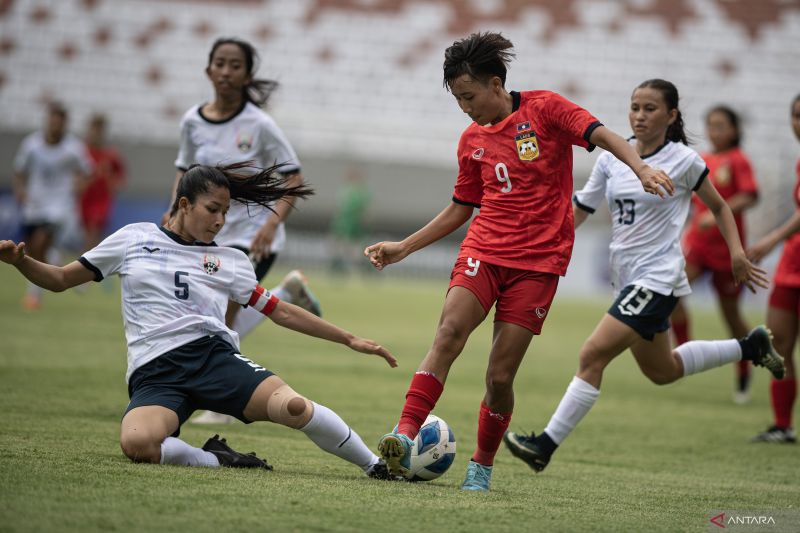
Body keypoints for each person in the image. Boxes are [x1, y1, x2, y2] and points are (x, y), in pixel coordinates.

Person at [364, 33, 678, 492]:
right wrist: (403, 247)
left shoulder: (546, 109)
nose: (465, 109)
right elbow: (460, 208)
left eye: (469, 97)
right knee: (449, 333)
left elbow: (604, 135)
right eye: (458, 100)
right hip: (483, 251)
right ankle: (404, 433)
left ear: (496, 84)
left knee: (500, 374)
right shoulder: (470, 140)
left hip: (538, 264)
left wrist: (642, 168)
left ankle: (481, 466)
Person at [0, 162, 400, 478]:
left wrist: (350, 339)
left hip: (213, 359)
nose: (221, 221)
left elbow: (280, 311)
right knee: (138, 444)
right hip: (156, 372)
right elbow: (59, 280)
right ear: (185, 204)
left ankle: (375, 466)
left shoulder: (230, 260)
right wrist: (22, 263)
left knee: (294, 407)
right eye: (213, 210)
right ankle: (216, 460)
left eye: (226, 212)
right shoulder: (133, 239)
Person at [503, 79, 785, 473]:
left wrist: (737, 253)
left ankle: (544, 445)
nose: (639, 115)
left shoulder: (684, 161)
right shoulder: (610, 158)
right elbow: (581, 208)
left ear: (671, 116)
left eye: (650, 108)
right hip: (628, 278)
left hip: (658, 278)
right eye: (635, 106)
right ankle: (750, 347)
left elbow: (720, 208)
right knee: (662, 371)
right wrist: (539, 239)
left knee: (591, 355)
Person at [166, 37, 321, 424]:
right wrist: (173, 216)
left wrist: (271, 224)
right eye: (220, 63)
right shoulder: (192, 121)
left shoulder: (260, 124)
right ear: (208, 70)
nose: (226, 71)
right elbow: (184, 175)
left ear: (247, 75)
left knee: (220, 315)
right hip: (206, 236)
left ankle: (225, 403)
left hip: (250, 238)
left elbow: (294, 178)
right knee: (219, 316)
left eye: (235, 65)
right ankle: (287, 292)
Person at [670, 105, 759, 403]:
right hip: (698, 245)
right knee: (671, 292)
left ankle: (745, 370)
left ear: (734, 130)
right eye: (711, 125)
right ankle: (684, 350)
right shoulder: (702, 159)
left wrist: (717, 213)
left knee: (731, 316)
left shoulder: (738, 160)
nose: (714, 131)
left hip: (726, 251)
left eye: (721, 126)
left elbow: (750, 194)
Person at [747, 93, 800, 443]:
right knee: (778, 344)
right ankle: (782, 425)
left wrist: (769, 240)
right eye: (796, 115)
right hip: (793, 263)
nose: (799, 122)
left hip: (787, 250)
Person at [13, 102, 92, 310]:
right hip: (34, 205)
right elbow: (20, 170)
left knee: (39, 244)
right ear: (48, 122)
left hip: (60, 206)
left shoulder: (74, 147)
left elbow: (88, 170)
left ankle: (33, 295)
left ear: (64, 124)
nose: (55, 126)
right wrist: (20, 190)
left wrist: (79, 186)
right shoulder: (31, 144)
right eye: (52, 122)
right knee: (36, 251)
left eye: (59, 123)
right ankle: (71, 270)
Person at [80, 113, 126, 251]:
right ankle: (90, 263)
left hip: (102, 200)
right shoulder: (81, 152)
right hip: (84, 199)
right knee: (89, 234)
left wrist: (112, 184)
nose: (97, 133)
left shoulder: (111, 154)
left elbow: (121, 177)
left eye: (100, 130)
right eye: (95, 129)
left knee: (94, 232)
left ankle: (85, 266)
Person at [330, 166, 371, 274]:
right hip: (344, 224)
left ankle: (363, 268)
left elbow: (363, 209)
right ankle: (339, 268)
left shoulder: (359, 192)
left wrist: (362, 221)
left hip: (353, 224)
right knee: (341, 245)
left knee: (353, 247)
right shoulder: (346, 190)